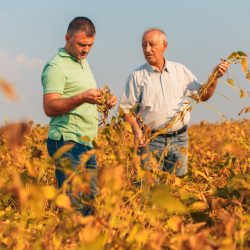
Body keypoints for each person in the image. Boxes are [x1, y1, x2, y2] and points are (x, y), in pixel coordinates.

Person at [119, 28, 229, 177]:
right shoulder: (136, 76)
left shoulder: (180, 71)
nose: (147, 49)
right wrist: (136, 129)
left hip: (179, 140)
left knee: (177, 188)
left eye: (152, 45)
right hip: (150, 141)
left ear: (165, 45)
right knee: (148, 190)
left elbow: (203, 95)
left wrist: (214, 77)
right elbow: (125, 111)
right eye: (144, 45)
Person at [41, 17, 116, 200]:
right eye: (82, 44)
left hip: (87, 142)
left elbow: (85, 97)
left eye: (90, 45)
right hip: (67, 142)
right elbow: (50, 107)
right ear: (67, 38)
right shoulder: (56, 67)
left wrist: (105, 100)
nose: (86, 50)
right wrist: (82, 97)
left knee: (90, 203)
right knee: (73, 204)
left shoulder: (83, 62)